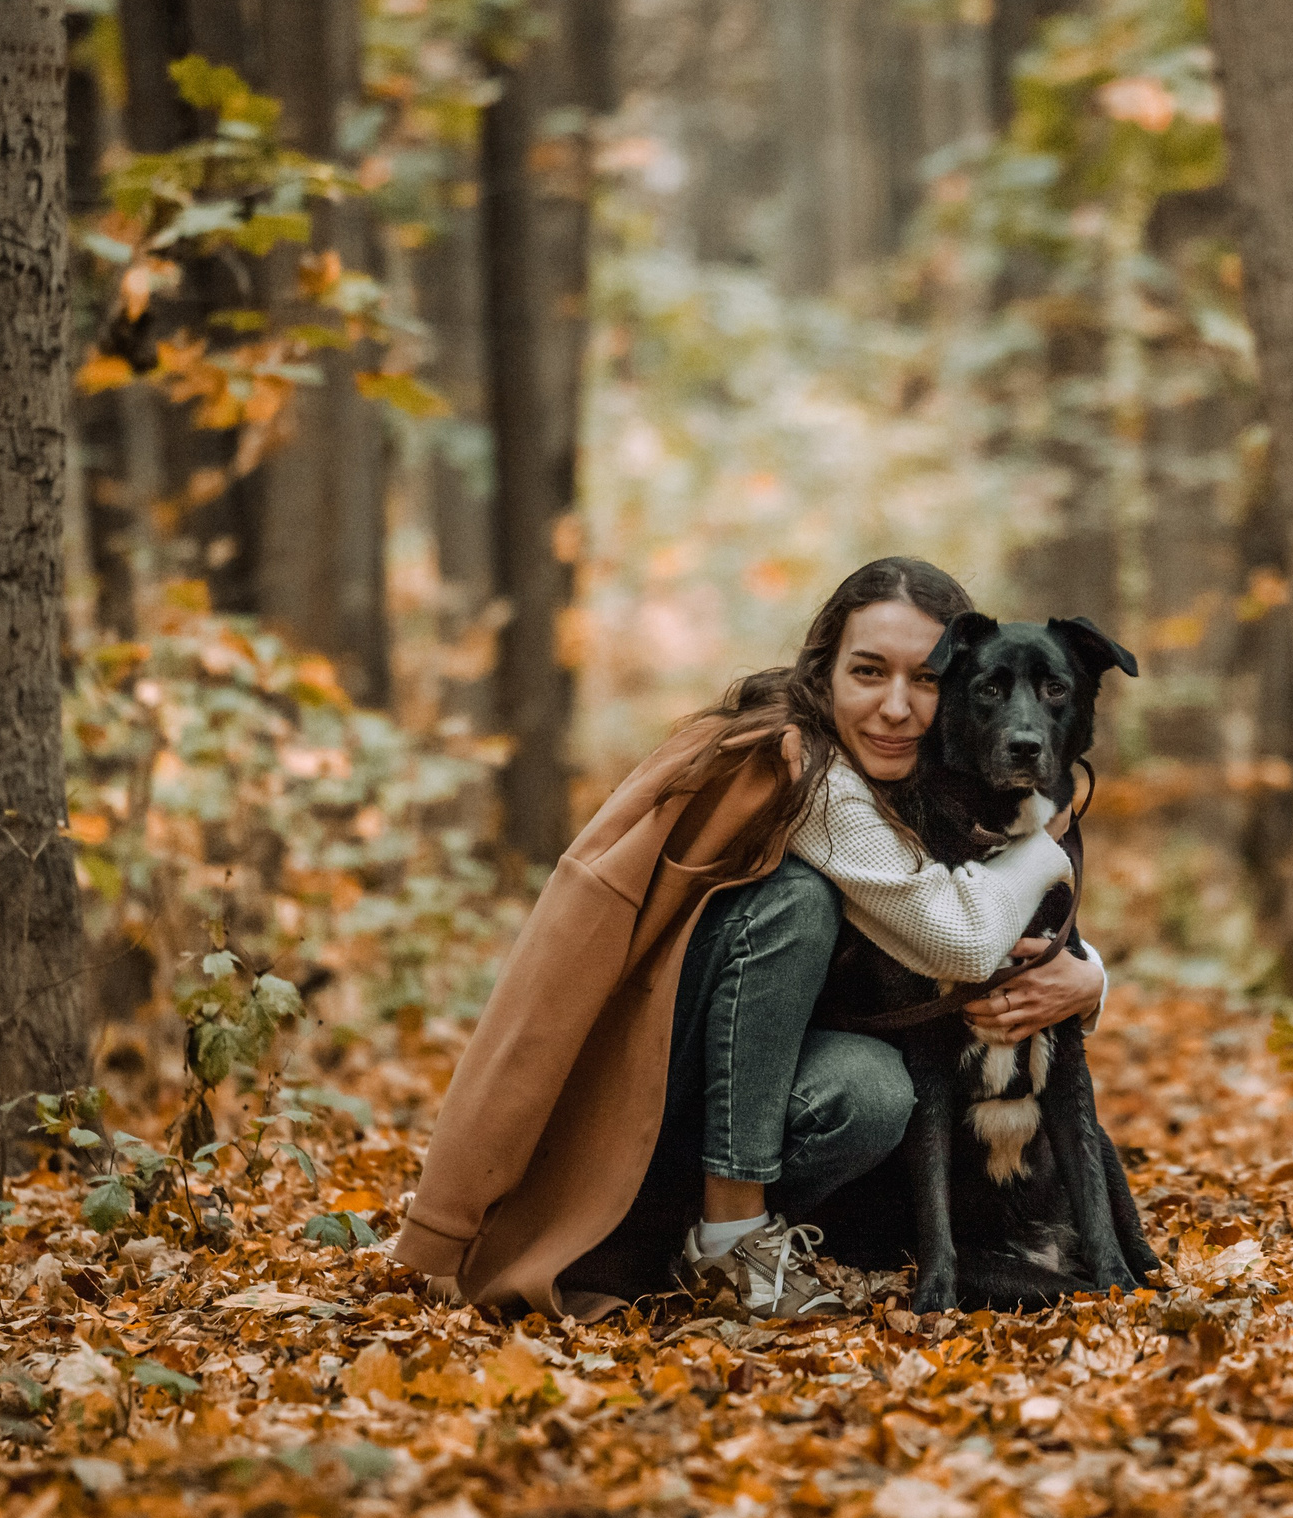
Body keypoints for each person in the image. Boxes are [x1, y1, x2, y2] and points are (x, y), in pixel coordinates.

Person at [391, 558, 1108, 1320]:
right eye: (868, 672)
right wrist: (1045, 846)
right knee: (796, 901)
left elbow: (946, 926)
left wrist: (1089, 978)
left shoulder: (920, 783)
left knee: (870, 1092)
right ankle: (728, 1236)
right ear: (823, 672)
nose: (896, 706)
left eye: (924, 679)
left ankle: (688, 1239)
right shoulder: (804, 769)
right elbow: (958, 938)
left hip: (739, 1096)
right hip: (646, 1105)